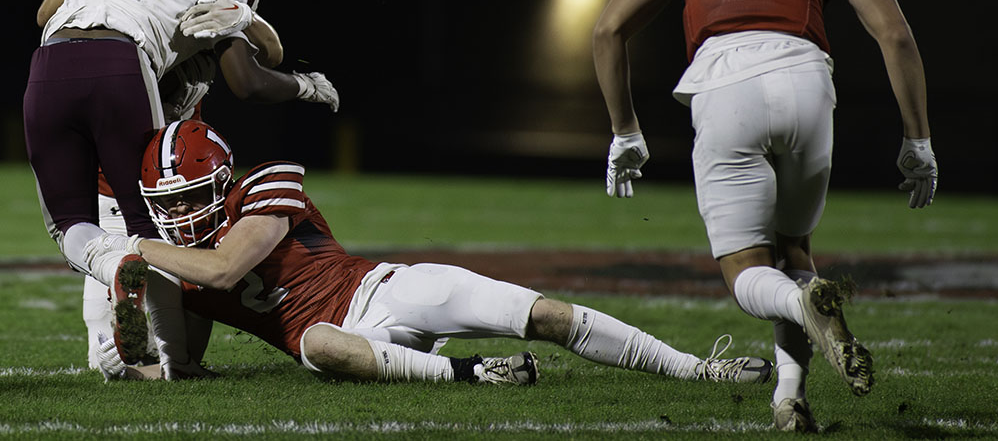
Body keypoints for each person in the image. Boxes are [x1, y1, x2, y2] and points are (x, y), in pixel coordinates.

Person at [591, 0, 936, 432]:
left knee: (751, 274)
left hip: (726, 84)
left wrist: (625, 131)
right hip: (807, 80)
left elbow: (609, 28)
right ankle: (789, 399)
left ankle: (804, 304)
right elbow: (896, 36)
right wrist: (918, 140)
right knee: (795, 250)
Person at [81, 119, 775, 388]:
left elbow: (229, 267)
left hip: (385, 290)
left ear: (224, 179)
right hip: (342, 339)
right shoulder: (177, 259)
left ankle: (693, 367)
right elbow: (180, 361)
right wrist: (138, 323)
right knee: (317, 344)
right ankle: (470, 375)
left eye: (192, 194)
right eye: (166, 200)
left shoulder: (265, 186)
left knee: (545, 314)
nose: (180, 212)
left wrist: (132, 246)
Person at [25, 0, 342, 355]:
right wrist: (301, 81)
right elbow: (250, 79)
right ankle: (172, 359)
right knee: (151, 228)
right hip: (120, 65)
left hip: (47, 65)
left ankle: (117, 298)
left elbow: (44, 15)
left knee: (68, 225)